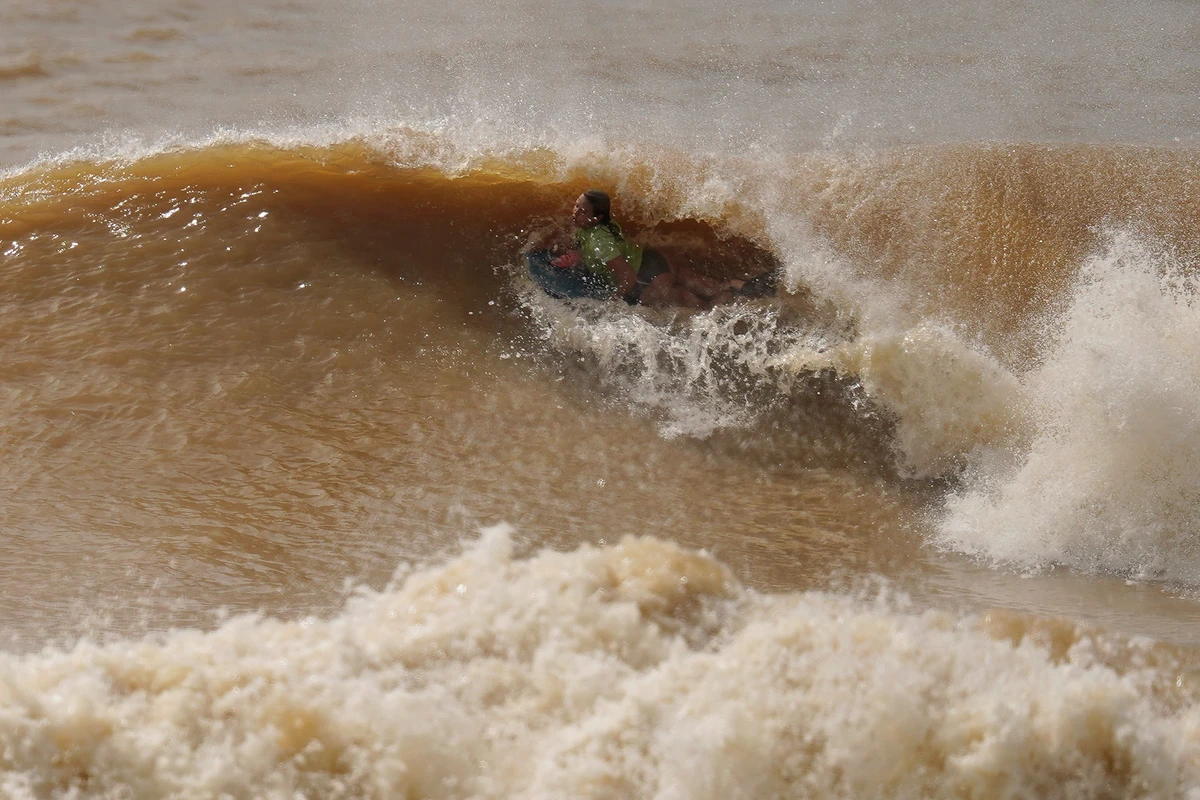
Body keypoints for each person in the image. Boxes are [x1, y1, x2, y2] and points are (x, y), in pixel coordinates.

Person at [549, 190, 753, 308]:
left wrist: (612, 304)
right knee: (713, 288)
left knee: (704, 309)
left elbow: (627, 277)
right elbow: (599, 247)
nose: (575, 212)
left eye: (582, 211)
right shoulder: (604, 226)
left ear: (596, 217)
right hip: (655, 260)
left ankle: (743, 311)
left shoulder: (598, 242)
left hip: (647, 279)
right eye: (576, 206)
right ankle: (745, 289)